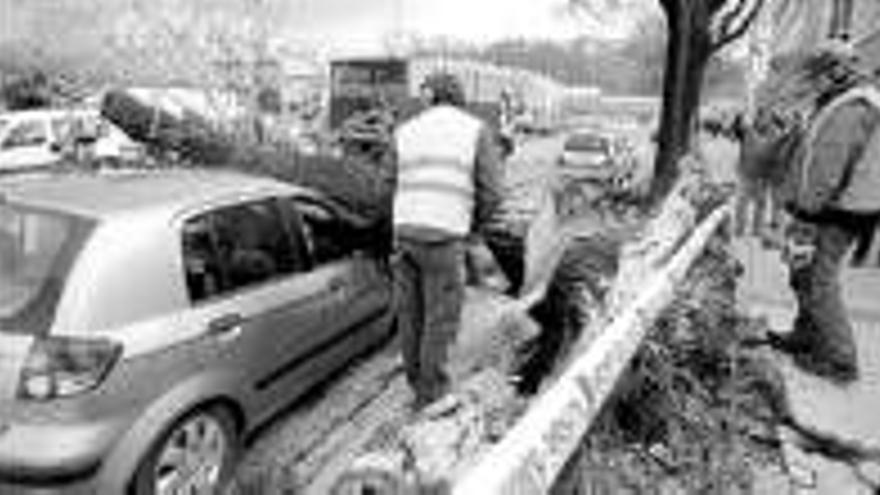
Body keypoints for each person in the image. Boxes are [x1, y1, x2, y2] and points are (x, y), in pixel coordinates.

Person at [745, 42, 880, 384]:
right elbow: (811, 157)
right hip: (829, 205)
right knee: (801, 272)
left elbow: (826, 169)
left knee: (820, 279)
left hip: (838, 209)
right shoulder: (836, 102)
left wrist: (805, 213)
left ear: (836, 71)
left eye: (816, 74)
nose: (811, 81)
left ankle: (840, 360)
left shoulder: (852, 108)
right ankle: (806, 335)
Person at [392, 72, 505, 408]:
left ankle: (417, 387)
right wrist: (472, 228)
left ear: (430, 98)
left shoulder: (405, 130)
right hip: (444, 238)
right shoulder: (475, 130)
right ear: (458, 97)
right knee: (441, 319)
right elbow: (493, 192)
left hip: (404, 235)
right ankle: (433, 395)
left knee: (411, 315)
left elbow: (387, 185)